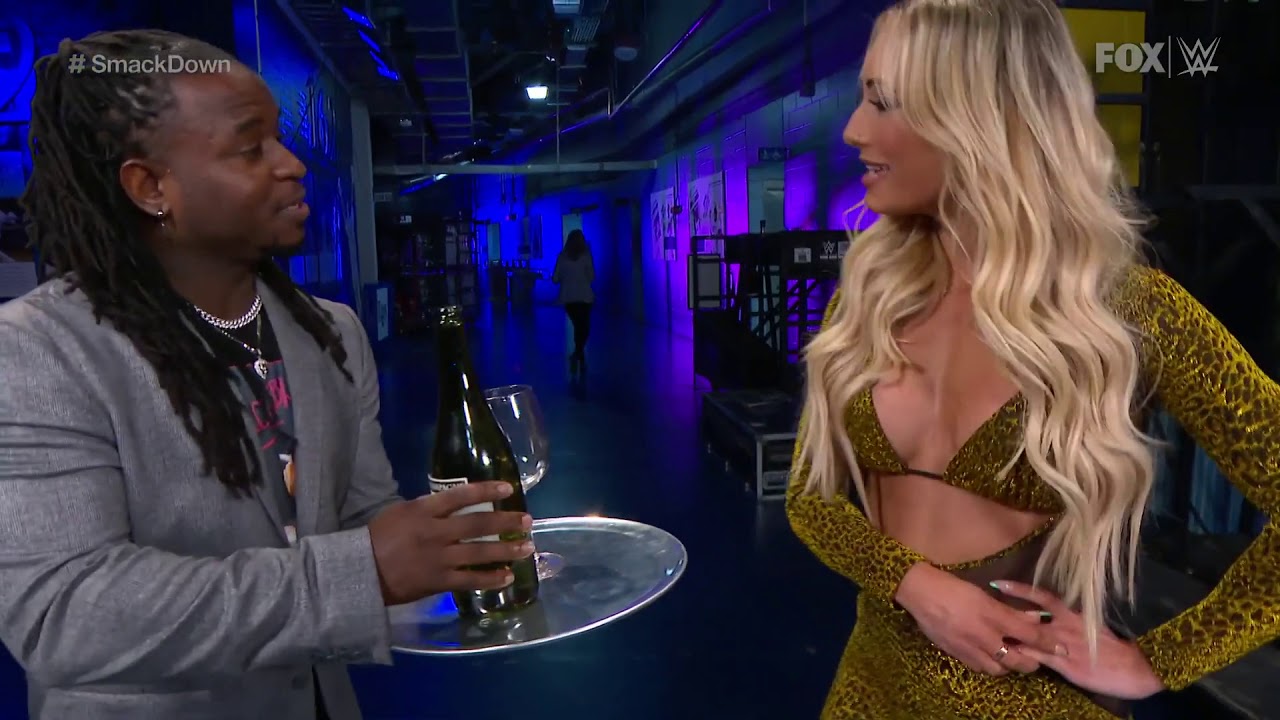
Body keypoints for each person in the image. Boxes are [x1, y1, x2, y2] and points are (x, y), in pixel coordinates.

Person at [0, 30, 534, 720]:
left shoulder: (331, 332)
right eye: (251, 149)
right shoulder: (37, 350)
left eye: (280, 139)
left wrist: (452, 554)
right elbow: (66, 615)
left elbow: (361, 519)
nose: (292, 165)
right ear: (151, 186)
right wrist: (362, 571)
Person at [785, 2, 1280, 718]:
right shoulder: (869, 295)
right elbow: (810, 497)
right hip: (871, 682)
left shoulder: (1125, 311)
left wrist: (1160, 660)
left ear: (980, 116)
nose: (853, 130)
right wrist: (917, 586)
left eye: (882, 101)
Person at [552, 228, 595, 375]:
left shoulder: (562, 256)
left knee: (578, 326)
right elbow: (591, 276)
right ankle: (578, 356)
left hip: (569, 298)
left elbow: (555, 278)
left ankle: (578, 356)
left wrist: (566, 277)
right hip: (585, 297)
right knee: (584, 328)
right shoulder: (586, 255)